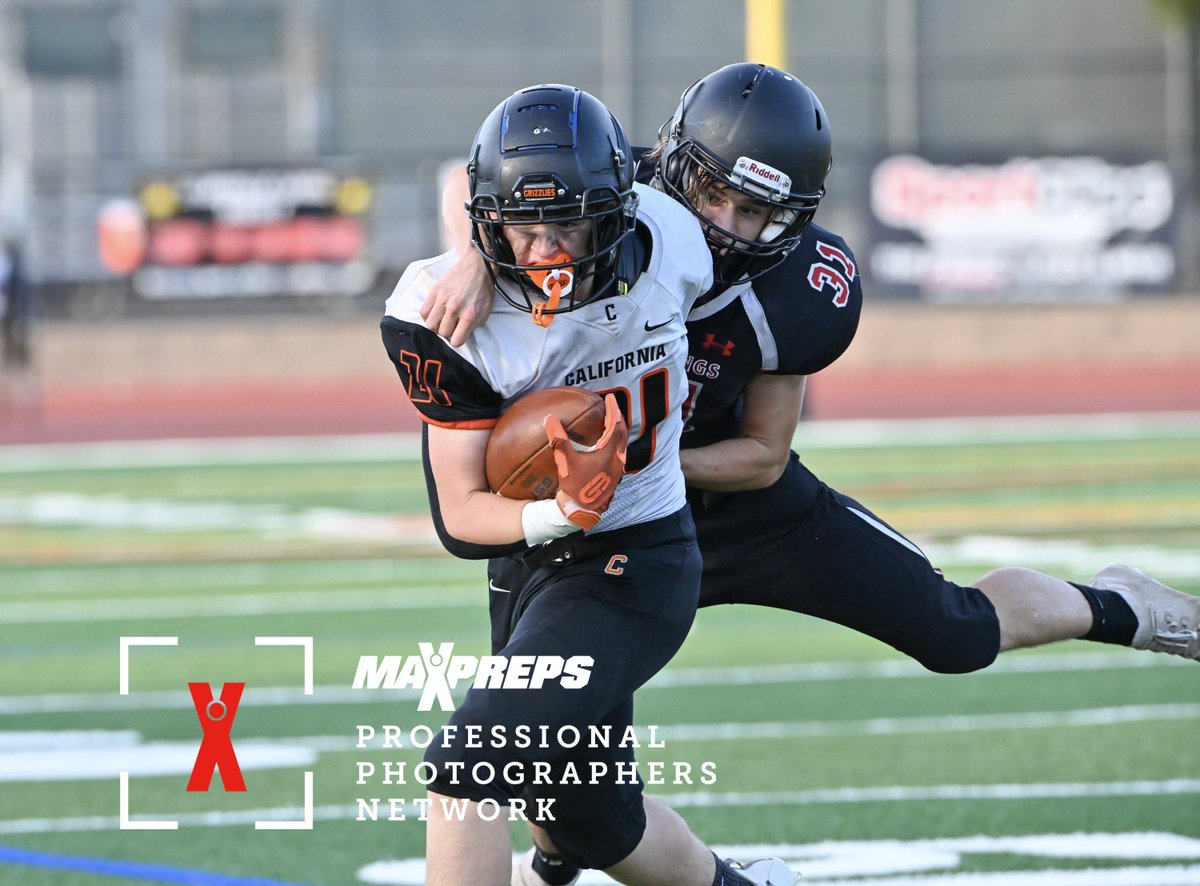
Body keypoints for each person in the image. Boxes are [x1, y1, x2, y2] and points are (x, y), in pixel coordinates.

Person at [422, 64, 1200, 886]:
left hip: (721, 496)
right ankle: (595, 853)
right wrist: (473, 256)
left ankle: (1124, 608)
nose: (720, 224)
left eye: (753, 210)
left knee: (957, 631)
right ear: (671, 167)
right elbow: (497, 194)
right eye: (710, 193)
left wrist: (627, 466)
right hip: (586, 522)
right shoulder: (610, 189)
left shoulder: (798, 290)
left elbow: (762, 453)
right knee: (544, 756)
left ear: (792, 219)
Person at [381, 83, 797, 886]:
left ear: (619, 207)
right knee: (591, 817)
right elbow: (463, 518)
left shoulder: (675, 238)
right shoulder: (438, 316)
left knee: (471, 762)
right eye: (521, 226)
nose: (546, 250)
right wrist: (557, 509)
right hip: (530, 562)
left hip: (640, 558)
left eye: (568, 221)